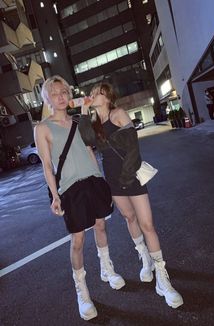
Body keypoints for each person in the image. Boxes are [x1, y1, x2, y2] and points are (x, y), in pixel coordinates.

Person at [81, 82, 184, 309]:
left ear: (107, 97)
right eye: (92, 93)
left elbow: (133, 146)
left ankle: (162, 278)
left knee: (148, 224)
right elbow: (87, 141)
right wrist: (82, 110)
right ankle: (145, 258)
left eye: (97, 92)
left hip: (130, 176)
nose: (92, 95)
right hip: (112, 179)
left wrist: (128, 177)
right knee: (129, 218)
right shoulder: (93, 122)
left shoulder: (118, 113)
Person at [34, 76, 125, 321]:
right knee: (77, 239)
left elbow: (88, 150)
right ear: (47, 98)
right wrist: (55, 196)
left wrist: (100, 178)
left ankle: (107, 269)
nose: (61, 96)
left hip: (92, 180)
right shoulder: (42, 128)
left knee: (101, 225)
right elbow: (46, 166)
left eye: (64, 91)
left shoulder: (78, 121)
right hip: (70, 189)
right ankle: (82, 292)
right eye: (55, 93)